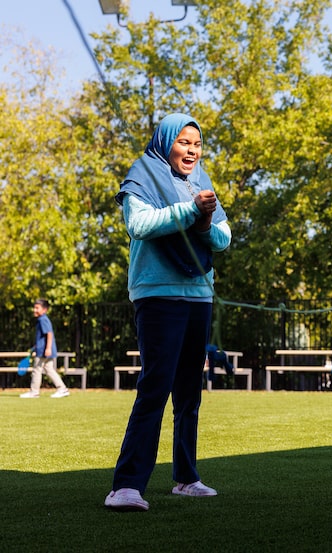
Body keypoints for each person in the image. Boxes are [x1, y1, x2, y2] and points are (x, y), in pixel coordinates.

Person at [105, 113, 232, 512]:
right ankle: (125, 486)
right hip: (157, 293)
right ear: (165, 142)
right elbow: (139, 224)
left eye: (197, 144)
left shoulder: (202, 182)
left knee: (189, 393)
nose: (192, 150)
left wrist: (205, 218)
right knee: (156, 386)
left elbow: (223, 239)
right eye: (184, 142)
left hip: (199, 294)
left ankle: (186, 478)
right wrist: (190, 211)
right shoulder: (142, 175)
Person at [19, 298, 70, 399]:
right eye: (34, 307)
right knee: (49, 370)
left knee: (36, 370)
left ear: (44, 309)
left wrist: (47, 348)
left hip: (44, 351)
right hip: (44, 349)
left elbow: (49, 334)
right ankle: (62, 389)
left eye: (37, 308)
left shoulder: (43, 319)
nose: (34, 310)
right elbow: (43, 336)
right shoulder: (42, 319)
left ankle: (34, 392)